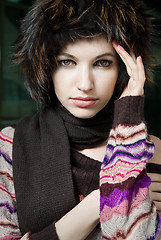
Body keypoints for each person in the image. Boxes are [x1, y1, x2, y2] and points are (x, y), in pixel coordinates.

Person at [0, 0, 161, 239]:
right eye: (67, 62)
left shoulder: (148, 149)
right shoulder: (10, 146)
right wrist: (101, 199)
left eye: (102, 63)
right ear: (45, 68)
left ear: (123, 70)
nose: (85, 84)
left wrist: (128, 122)